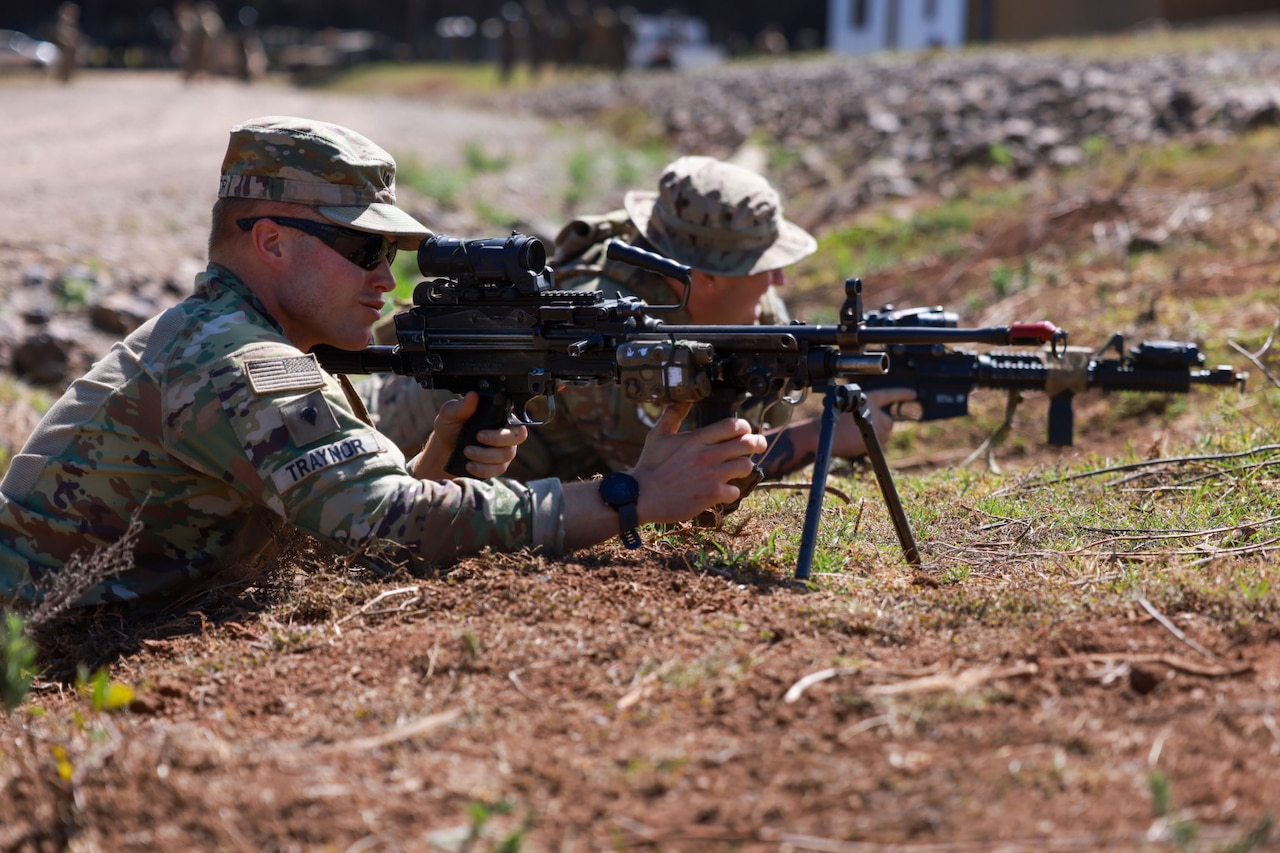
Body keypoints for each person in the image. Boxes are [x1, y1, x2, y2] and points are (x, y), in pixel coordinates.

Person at [0, 118, 766, 607]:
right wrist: (635, 494)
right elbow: (381, 528)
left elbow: (356, 520)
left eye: (391, 254)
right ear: (271, 242)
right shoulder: (238, 360)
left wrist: (437, 464)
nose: (384, 279)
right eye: (365, 250)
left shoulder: (252, 338)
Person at [361, 155, 913, 484]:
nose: (780, 283)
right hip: (393, 434)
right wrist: (820, 438)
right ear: (701, 277)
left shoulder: (748, 306)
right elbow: (667, 478)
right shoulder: (602, 327)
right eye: (762, 269)